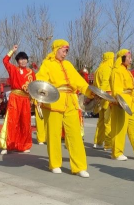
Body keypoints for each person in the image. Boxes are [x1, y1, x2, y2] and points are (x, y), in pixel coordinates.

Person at [36, 40, 95, 177]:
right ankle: (55, 164)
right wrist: (38, 99)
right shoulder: (47, 64)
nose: (65, 54)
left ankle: (79, 166)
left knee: (75, 134)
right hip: (53, 102)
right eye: (63, 50)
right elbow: (40, 83)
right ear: (56, 49)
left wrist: (92, 93)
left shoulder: (68, 65)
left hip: (71, 102)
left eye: (67, 51)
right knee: (54, 134)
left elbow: (80, 83)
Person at [0, 46, 35, 154]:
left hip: (25, 99)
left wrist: (33, 99)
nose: (23, 61)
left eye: (25, 59)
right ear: (18, 61)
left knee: (25, 122)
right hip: (14, 98)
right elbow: (5, 60)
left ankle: (24, 145)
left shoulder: (31, 72)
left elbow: (34, 87)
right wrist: (12, 51)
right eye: (21, 59)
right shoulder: (13, 69)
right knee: (12, 120)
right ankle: (7, 145)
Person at [92, 52, 114, 149]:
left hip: (100, 97)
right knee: (108, 121)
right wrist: (102, 94)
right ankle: (108, 144)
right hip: (106, 97)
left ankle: (98, 142)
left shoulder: (98, 69)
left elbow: (95, 85)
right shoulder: (107, 69)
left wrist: (97, 96)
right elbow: (105, 83)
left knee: (101, 121)